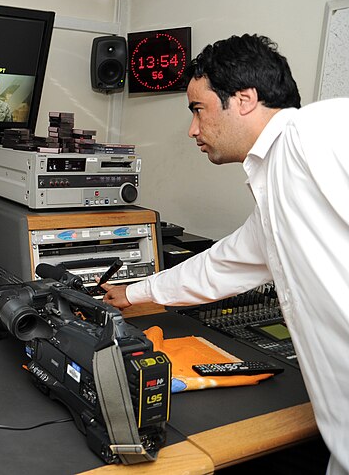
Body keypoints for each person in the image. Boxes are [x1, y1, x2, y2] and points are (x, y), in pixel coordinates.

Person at [98, 34, 348, 475]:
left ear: (245, 99)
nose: (194, 129)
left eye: (198, 109)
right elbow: (221, 266)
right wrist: (133, 293)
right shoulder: (274, 189)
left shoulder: (319, 129)